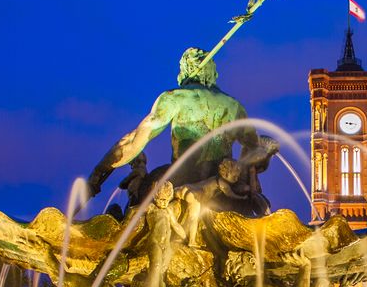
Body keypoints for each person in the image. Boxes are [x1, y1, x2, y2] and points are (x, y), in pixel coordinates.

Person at [87, 48, 258, 195]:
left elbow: (133, 143)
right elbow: (255, 149)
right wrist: (239, 172)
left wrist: (98, 172)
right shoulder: (235, 106)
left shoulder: (174, 98)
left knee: (141, 190)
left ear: (185, 69)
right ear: (211, 72)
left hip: (181, 184)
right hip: (222, 187)